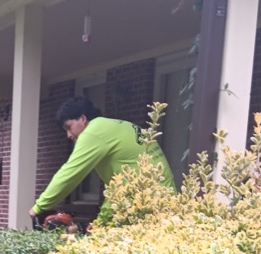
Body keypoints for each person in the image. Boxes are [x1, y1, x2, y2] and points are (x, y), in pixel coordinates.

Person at [29, 95, 174, 222]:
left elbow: (70, 173)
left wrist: (39, 207)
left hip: (149, 208)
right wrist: (102, 220)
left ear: (82, 119)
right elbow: (118, 186)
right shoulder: (114, 126)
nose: (69, 135)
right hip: (163, 203)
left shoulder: (93, 132)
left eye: (69, 127)